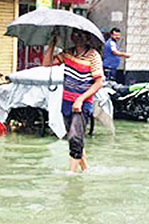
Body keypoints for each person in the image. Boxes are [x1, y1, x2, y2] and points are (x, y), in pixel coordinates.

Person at [43, 30, 104, 173]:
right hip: (66, 102)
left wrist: (80, 100)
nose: (77, 37)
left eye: (81, 35)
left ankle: (72, 174)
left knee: (75, 137)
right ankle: (86, 169)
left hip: (82, 103)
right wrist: (52, 43)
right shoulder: (67, 53)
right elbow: (46, 64)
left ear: (88, 39)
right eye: (75, 34)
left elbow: (98, 83)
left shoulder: (93, 56)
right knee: (73, 138)